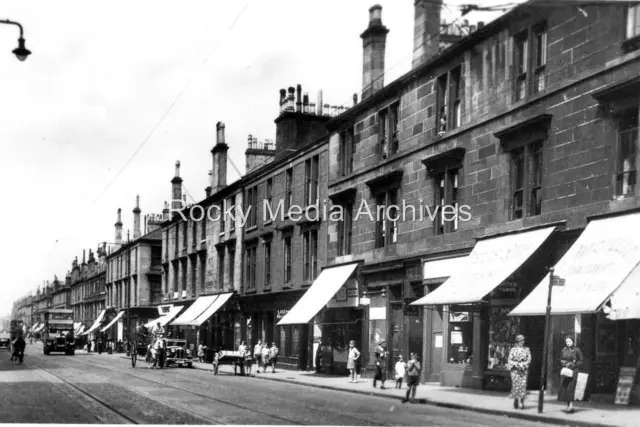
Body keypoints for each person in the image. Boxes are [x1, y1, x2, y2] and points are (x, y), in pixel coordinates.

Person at [558, 335, 584, 413]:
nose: (568, 343)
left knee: (570, 389)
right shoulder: (563, 350)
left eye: (569, 341)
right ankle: (568, 405)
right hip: (566, 371)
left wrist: (574, 364)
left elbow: (581, 360)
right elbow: (560, 359)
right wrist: (563, 363)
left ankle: (571, 406)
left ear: (573, 341)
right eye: (567, 342)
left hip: (573, 371)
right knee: (565, 389)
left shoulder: (577, 350)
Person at [508, 334, 532, 409]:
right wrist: (515, 364)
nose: (522, 342)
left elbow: (529, 359)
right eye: (521, 340)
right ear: (517, 341)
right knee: (515, 385)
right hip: (515, 370)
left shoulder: (527, 349)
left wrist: (523, 364)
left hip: (523, 370)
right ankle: (515, 400)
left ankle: (522, 402)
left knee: (522, 385)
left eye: (523, 340)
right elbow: (510, 359)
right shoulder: (513, 350)